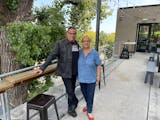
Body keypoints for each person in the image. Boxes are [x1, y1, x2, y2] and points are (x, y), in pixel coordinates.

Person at [34, 27, 79, 117]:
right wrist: (42, 68)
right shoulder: (60, 43)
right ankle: (71, 108)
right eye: (70, 33)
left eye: (74, 33)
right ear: (67, 34)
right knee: (70, 91)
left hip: (74, 72)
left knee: (72, 89)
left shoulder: (76, 44)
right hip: (65, 71)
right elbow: (52, 56)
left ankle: (74, 100)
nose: (72, 35)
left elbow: (77, 57)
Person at [78, 36, 101, 120]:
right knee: (85, 94)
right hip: (82, 78)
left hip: (91, 78)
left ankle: (89, 111)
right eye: (84, 41)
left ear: (90, 42)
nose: (86, 42)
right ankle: (88, 106)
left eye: (87, 41)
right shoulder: (79, 52)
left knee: (90, 95)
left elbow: (98, 65)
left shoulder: (94, 53)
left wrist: (98, 76)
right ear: (82, 42)